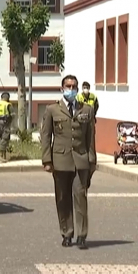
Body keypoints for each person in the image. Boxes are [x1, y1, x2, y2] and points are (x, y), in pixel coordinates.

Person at [40, 75, 96, 249]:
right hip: (60, 160)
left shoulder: (86, 109)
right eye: (68, 86)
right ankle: (66, 232)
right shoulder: (52, 110)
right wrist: (47, 160)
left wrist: (92, 160)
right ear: (62, 88)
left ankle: (81, 235)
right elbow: (45, 136)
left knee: (80, 197)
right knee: (63, 199)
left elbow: (91, 137)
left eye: (74, 86)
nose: (71, 89)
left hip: (80, 160)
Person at [0, 92, 14, 160]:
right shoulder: (8, 104)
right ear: (7, 97)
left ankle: (3, 156)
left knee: (1, 137)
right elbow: (13, 115)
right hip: (5, 122)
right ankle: (0, 155)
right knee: (5, 138)